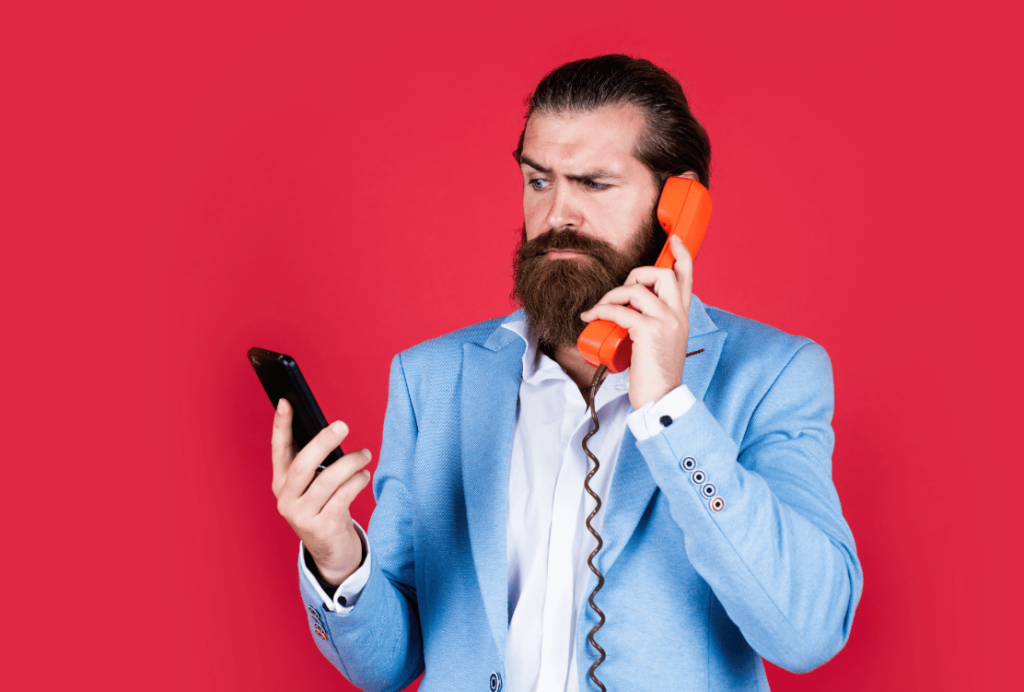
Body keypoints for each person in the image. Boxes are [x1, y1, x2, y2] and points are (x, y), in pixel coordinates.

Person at [269, 54, 862, 692]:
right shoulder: (432, 380)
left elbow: (809, 632)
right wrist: (336, 557)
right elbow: (386, 666)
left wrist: (669, 411)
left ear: (679, 205)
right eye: (539, 181)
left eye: (594, 184)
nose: (556, 216)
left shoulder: (772, 374)